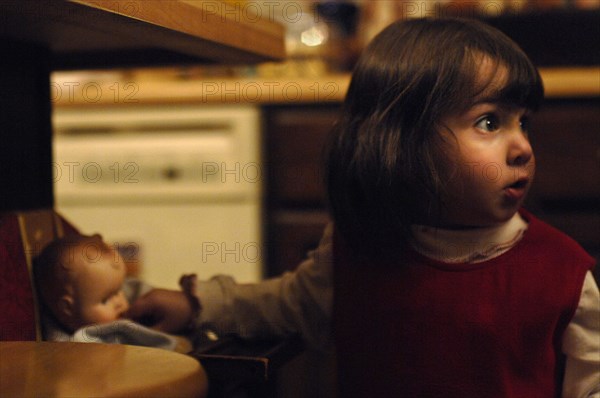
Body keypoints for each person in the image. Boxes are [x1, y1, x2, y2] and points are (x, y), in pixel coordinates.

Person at [127, 17, 599, 397]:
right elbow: (291, 305)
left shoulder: (565, 272)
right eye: (490, 121)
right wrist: (196, 304)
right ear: (401, 143)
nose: (522, 147)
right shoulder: (360, 247)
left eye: (523, 123)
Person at [34, 234, 189, 351]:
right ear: (67, 308)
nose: (120, 302)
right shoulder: (73, 343)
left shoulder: (120, 319)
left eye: (120, 290)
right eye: (106, 299)